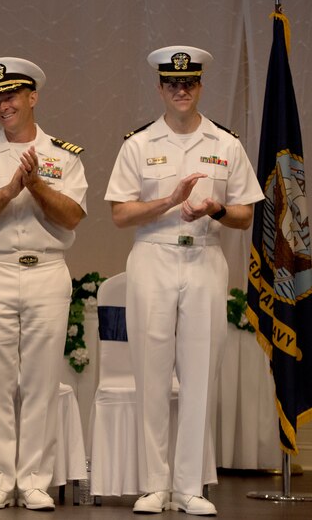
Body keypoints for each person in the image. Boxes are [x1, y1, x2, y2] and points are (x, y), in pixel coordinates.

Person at [105, 46, 264, 516]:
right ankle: (155, 484)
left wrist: (213, 207)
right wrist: (170, 200)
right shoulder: (139, 144)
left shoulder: (225, 143)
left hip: (205, 259)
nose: (181, 89)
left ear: (199, 87)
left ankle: (190, 485)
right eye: (172, 82)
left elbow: (245, 213)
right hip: (153, 258)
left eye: (189, 82)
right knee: (151, 373)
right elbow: (119, 213)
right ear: (159, 87)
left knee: (200, 375)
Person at [0, 57, 88, 511]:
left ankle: (34, 480)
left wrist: (36, 186)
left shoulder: (64, 156)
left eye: (11, 95)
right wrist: (8, 190)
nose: (3, 104)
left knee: (41, 380)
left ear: (33, 97)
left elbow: (72, 217)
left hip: (47, 270)